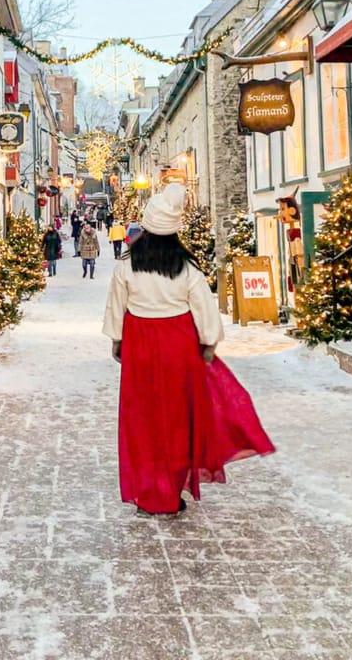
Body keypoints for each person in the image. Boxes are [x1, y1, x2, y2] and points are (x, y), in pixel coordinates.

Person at [102, 184, 275, 518]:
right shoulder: (187, 268)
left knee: (143, 418)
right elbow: (204, 311)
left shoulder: (126, 266)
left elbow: (116, 308)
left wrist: (117, 341)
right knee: (178, 417)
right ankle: (172, 485)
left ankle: (149, 488)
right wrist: (209, 342)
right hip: (178, 343)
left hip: (140, 343)